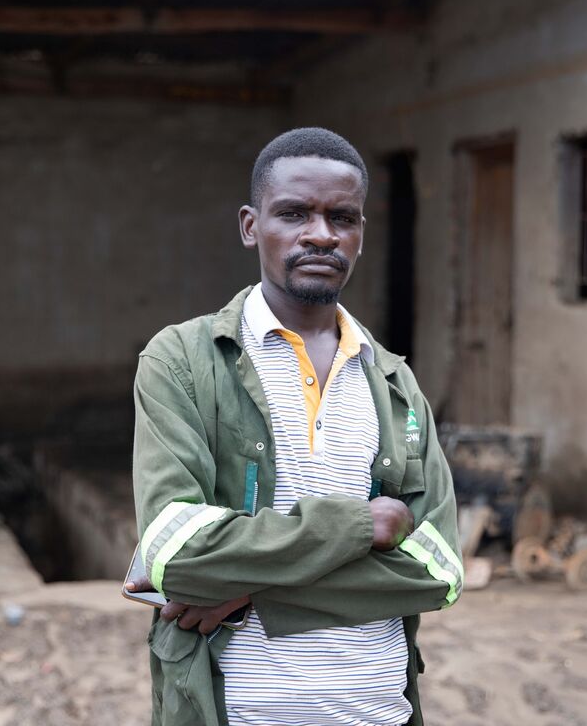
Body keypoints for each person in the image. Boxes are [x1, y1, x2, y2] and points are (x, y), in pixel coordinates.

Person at [127, 127, 462, 726]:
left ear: (360, 234)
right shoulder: (180, 360)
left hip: (375, 708)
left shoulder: (394, 383)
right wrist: (364, 523)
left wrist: (253, 589)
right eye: (294, 213)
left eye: (343, 218)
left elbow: (438, 571)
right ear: (251, 226)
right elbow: (173, 554)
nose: (321, 234)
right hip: (240, 711)